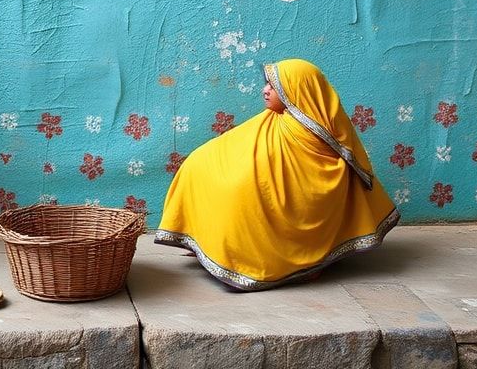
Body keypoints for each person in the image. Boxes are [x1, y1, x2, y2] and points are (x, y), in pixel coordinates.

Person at [155, 58, 398, 290]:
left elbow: (280, 169)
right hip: (234, 166)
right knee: (199, 166)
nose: (265, 91)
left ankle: (288, 259)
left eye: (274, 86)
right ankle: (209, 243)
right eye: (267, 84)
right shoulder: (277, 118)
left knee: (238, 189)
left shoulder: (317, 136)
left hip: (283, 196)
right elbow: (240, 142)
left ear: (297, 92)